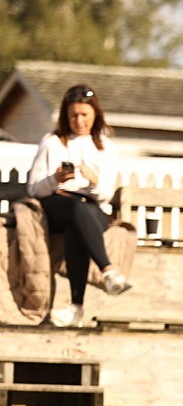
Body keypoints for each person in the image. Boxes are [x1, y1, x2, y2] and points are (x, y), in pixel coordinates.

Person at [27, 84, 131, 328]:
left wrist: (93, 181)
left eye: (84, 114)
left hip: (92, 207)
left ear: (95, 115)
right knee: (75, 209)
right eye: (74, 115)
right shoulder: (52, 142)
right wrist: (55, 179)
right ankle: (108, 270)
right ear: (66, 115)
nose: (79, 120)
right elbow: (33, 188)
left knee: (79, 220)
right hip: (58, 202)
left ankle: (76, 306)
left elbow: (104, 195)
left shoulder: (105, 147)